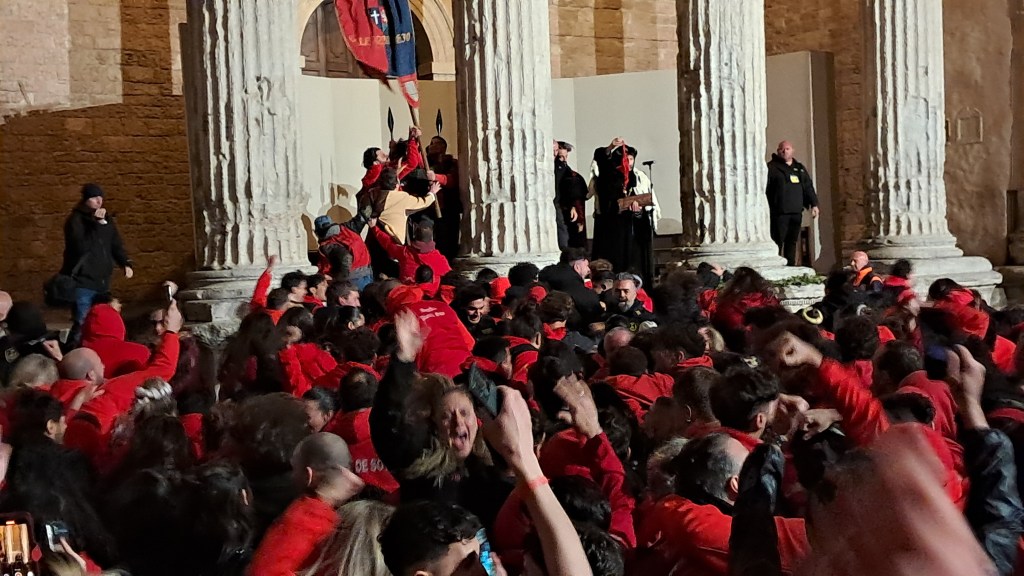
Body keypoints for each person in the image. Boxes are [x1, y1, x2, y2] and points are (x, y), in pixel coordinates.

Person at [247, 433, 365, 575]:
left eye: (294, 469)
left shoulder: (301, 520)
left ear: (309, 475)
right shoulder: (361, 516)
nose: (292, 476)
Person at [61, 183, 134, 341]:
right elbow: (80, 246)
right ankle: (76, 351)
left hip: (102, 282)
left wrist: (125, 263)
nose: (99, 201)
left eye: (100, 197)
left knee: (103, 321)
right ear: (86, 199)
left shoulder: (106, 220)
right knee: (83, 322)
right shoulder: (76, 220)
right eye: (94, 197)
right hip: (83, 281)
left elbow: (115, 243)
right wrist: (96, 224)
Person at [588, 139, 659, 286]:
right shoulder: (606, 179)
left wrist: (638, 211)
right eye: (625, 159)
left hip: (634, 233)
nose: (628, 163)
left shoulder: (639, 177)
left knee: (634, 265)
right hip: (613, 232)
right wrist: (611, 147)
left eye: (631, 159)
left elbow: (646, 208)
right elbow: (600, 158)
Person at [765, 141, 820, 266]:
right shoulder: (772, 168)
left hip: (796, 211)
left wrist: (814, 204)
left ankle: (791, 265)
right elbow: (766, 188)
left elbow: (808, 186)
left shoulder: (799, 168)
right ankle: (775, 265)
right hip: (780, 212)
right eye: (782, 149)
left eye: (787, 149)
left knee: (792, 241)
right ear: (778, 151)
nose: (785, 151)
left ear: (792, 150)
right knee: (778, 240)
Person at [313, 214, 373, 290]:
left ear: (318, 232)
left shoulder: (328, 244)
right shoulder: (349, 228)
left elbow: (345, 258)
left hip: (352, 281)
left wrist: (338, 281)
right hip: (367, 274)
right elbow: (363, 215)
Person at [426, 135, 462, 260]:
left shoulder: (451, 163)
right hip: (430, 207)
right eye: (431, 143)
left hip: (448, 207)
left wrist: (436, 177)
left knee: (449, 240)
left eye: (434, 143)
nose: (431, 146)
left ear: (442, 147)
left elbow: (453, 180)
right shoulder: (426, 163)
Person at [554, 141, 589, 250]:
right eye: (561, 156)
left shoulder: (568, 171)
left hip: (566, 207)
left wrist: (572, 206)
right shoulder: (559, 169)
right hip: (559, 205)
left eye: (566, 156)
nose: (564, 160)